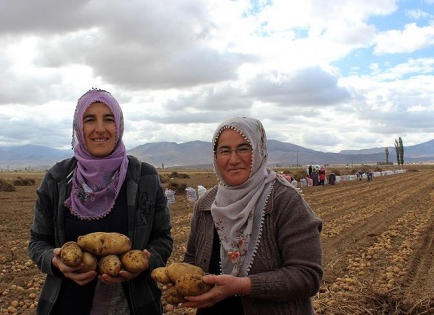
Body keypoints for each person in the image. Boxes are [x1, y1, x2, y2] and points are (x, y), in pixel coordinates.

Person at [28, 88, 173, 315]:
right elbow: (37, 242)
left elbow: (162, 238)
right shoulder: (56, 179)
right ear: (79, 127)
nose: (100, 128)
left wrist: (144, 264)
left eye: (108, 119)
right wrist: (57, 262)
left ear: (119, 126)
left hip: (134, 306)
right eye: (89, 119)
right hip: (67, 305)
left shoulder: (144, 177)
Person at [183, 117, 323, 314]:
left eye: (243, 148)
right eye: (225, 151)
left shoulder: (285, 200)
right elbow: (191, 261)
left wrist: (243, 286)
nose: (233, 159)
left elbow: (307, 276)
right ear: (215, 156)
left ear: (258, 151)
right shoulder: (206, 205)